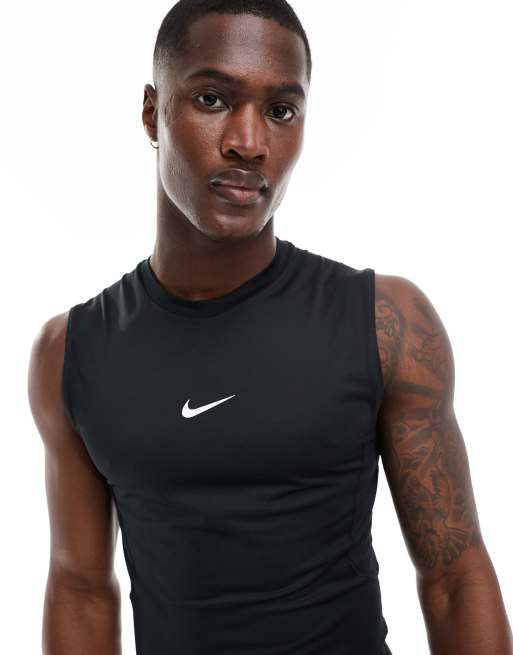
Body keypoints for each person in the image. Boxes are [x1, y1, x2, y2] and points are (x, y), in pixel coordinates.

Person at [28, 1, 513, 653]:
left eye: (281, 110)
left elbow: (454, 577)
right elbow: (80, 588)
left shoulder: (385, 324)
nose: (249, 142)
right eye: (212, 99)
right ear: (151, 112)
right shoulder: (74, 351)